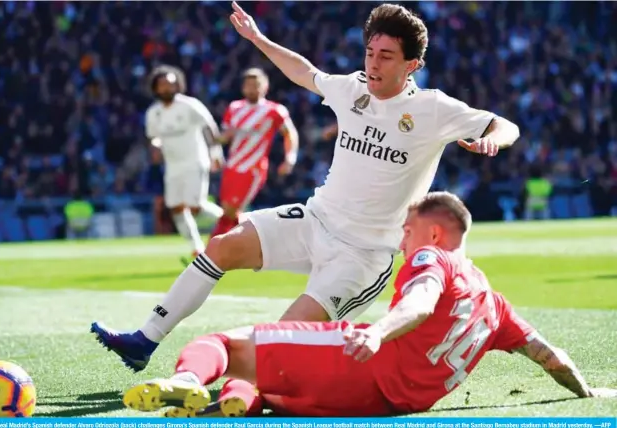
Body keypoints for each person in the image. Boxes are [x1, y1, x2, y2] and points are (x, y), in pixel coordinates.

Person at [90, 2, 520, 377]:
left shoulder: (433, 109)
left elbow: (506, 126)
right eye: (370, 53)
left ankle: (232, 392)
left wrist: (491, 140)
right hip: (315, 221)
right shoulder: (352, 88)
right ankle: (144, 341)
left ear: (412, 65)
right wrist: (258, 38)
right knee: (221, 245)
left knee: (277, 340)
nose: (373, 64)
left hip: (363, 255)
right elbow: (305, 72)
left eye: (386, 57)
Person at [120, 192, 617, 417]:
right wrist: (585, 391)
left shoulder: (432, 259)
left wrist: (378, 331)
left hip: (366, 365)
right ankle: (235, 403)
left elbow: (420, 305)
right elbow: (548, 355)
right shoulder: (497, 306)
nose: (402, 238)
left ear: (436, 232)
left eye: (408, 228)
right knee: (276, 392)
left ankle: (186, 380)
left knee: (222, 343)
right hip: (386, 405)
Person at [144, 65, 226, 261]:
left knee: (195, 206)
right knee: (176, 207)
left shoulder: (190, 105)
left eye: (170, 84)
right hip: (173, 165)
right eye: (162, 85)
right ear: (155, 88)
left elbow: (209, 127)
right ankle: (196, 249)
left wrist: (216, 153)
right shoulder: (153, 113)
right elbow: (153, 137)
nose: (166, 88)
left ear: (178, 85)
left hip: (195, 160)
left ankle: (236, 221)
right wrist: (155, 147)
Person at [210, 67, 300, 239]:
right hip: (232, 167)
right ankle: (259, 242)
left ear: (265, 87)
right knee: (228, 210)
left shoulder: (274, 110)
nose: (253, 88)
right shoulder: (234, 107)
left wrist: (290, 158)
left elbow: (290, 133)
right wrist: (215, 145)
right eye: (249, 85)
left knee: (230, 210)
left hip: (253, 168)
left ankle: (210, 251)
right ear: (243, 87)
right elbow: (225, 137)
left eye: (257, 84)